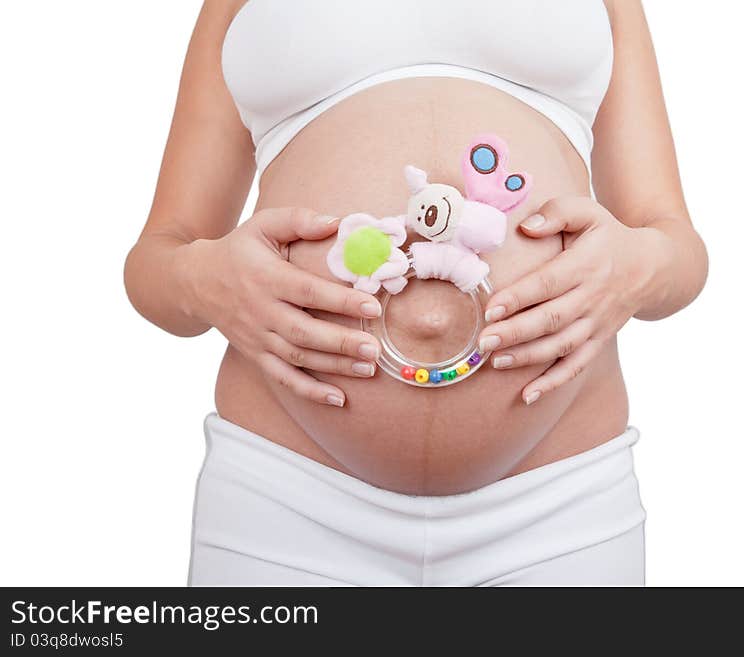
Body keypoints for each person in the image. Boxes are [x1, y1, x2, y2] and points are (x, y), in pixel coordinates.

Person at [124, 0, 708, 586]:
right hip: (286, 490)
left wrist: (639, 264)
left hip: (559, 495)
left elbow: (675, 242)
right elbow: (157, 254)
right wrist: (203, 280)